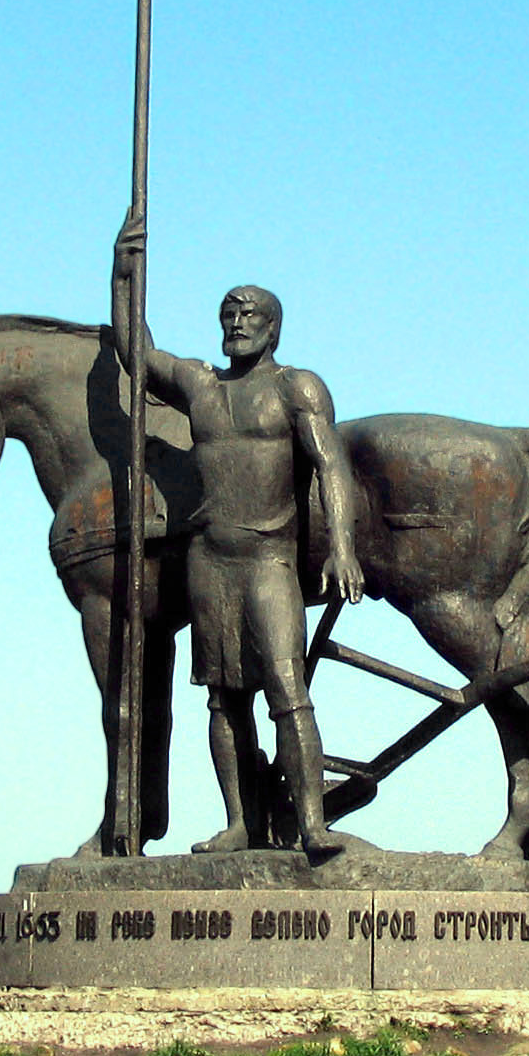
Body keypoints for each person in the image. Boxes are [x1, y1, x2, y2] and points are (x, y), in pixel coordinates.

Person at [111, 206, 366, 859]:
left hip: (268, 560)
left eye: (249, 314)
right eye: (228, 314)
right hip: (210, 560)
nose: (236, 323)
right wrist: (123, 271)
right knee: (224, 700)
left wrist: (342, 545)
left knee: (286, 687)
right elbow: (133, 351)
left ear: (273, 327)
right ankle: (240, 824)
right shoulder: (199, 385)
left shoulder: (296, 387)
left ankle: (312, 823)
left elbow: (331, 464)